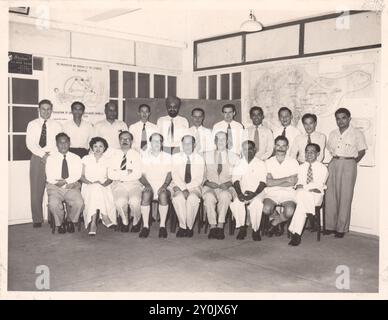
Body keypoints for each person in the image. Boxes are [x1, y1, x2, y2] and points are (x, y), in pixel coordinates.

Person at [324, 108, 367, 238]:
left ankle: (341, 228)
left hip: (348, 163)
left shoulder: (357, 133)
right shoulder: (332, 133)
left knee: (345, 196)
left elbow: (362, 151)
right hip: (334, 163)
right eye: (338, 118)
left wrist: (352, 163)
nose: (340, 121)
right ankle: (329, 226)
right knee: (330, 196)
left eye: (343, 118)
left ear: (349, 118)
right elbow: (330, 149)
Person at [26, 99, 62, 228]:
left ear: (51, 110)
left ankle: (54, 217)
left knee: (54, 187)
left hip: (53, 157)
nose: (46, 111)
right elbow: (30, 143)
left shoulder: (57, 125)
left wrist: (50, 156)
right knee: (36, 189)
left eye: (48, 109)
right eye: (43, 109)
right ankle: (37, 218)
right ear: (39, 110)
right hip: (37, 157)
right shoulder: (32, 124)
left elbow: (59, 143)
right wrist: (43, 155)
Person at [288, 143, 328, 246]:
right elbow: (297, 184)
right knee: (303, 195)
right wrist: (304, 187)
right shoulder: (300, 167)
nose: (309, 154)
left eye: (312, 152)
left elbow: (318, 186)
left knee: (302, 198)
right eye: (307, 152)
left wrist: (304, 187)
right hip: (302, 195)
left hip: (316, 196)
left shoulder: (323, 168)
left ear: (318, 154)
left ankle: (295, 232)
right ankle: (298, 232)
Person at [202, 131, 239, 240]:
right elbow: (200, 174)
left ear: (227, 141)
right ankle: (212, 226)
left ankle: (220, 226)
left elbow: (238, 176)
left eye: (223, 139)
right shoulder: (205, 155)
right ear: (214, 141)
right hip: (210, 186)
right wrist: (207, 183)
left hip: (226, 186)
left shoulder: (235, 156)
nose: (221, 141)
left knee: (225, 196)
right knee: (209, 197)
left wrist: (229, 183)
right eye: (218, 139)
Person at [45, 133, 84, 234]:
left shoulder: (76, 158)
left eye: (65, 142)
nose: (63, 145)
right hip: (55, 187)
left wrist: (66, 181)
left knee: (79, 203)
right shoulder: (51, 158)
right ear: (56, 144)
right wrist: (65, 183)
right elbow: (50, 176)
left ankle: (70, 220)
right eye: (60, 142)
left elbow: (77, 174)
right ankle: (60, 222)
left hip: (71, 187)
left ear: (69, 143)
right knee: (53, 204)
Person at [230, 140, 267, 241]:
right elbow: (235, 180)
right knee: (237, 203)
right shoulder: (239, 163)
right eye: (245, 149)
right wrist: (239, 194)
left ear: (254, 150)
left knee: (257, 204)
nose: (247, 152)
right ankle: (242, 228)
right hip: (242, 191)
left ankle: (256, 230)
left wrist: (253, 194)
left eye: (250, 149)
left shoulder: (260, 163)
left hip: (257, 192)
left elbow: (263, 183)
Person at [263, 136, 299, 236]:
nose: (280, 148)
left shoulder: (293, 162)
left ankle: (275, 222)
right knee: (266, 209)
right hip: (272, 192)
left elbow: (293, 182)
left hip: (288, 192)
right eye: (278, 145)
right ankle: (277, 219)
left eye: (283, 146)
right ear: (274, 146)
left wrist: (275, 181)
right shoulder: (268, 162)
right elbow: (268, 183)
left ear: (287, 147)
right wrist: (286, 179)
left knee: (289, 211)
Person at [80, 137, 116, 236]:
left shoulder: (108, 160)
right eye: (95, 146)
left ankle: (93, 224)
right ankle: (105, 217)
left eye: (101, 146)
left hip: (104, 187)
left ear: (105, 148)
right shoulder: (85, 159)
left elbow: (110, 178)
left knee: (97, 189)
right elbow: (81, 176)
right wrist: (91, 183)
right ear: (91, 147)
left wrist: (103, 184)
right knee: (95, 188)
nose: (98, 148)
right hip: (88, 186)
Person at [139, 133, 172, 238]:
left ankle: (162, 226)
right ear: (150, 143)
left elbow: (170, 173)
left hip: (164, 185)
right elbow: (140, 175)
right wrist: (147, 185)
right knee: (146, 194)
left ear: (162, 143)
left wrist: (164, 185)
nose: (157, 143)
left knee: (162, 195)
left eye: (159, 141)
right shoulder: (144, 156)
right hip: (149, 185)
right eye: (154, 141)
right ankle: (145, 227)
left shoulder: (168, 156)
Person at [108, 131, 142, 232]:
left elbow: (138, 174)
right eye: (122, 139)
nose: (125, 141)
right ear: (119, 141)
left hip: (134, 184)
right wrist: (127, 172)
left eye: (127, 139)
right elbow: (110, 174)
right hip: (119, 184)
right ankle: (125, 221)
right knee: (119, 202)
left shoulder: (137, 155)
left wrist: (118, 173)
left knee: (135, 201)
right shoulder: (113, 155)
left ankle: (136, 221)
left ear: (131, 141)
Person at [171, 135, 205, 237]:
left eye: (189, 143)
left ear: (194, 145)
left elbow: (199, 178)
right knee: (178, 199)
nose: (187, 146)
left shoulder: (199, 158)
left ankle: (189, 227)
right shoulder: (175, 157)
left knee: (193, 198)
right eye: (185, 143)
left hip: (195, 186)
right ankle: (182, 226)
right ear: (182, 145)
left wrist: (188, 188)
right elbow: (175, 175)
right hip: (179, 185)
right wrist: (183, 188)